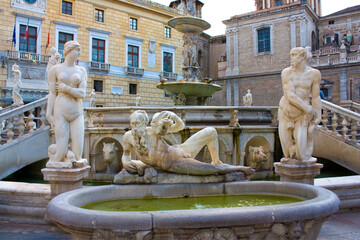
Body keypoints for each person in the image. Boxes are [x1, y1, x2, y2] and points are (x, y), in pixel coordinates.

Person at [121, 110, 253, 176]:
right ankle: (238, 168)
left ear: (144, 123)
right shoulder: (128, 136)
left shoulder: (154, 131)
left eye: (138, 123)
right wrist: (125, 162)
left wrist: (173, 116)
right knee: (209, 170)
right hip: (173, 161)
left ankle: (219, 162)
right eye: (132, 123)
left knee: (211, 132)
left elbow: (180, 127)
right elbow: (126, 154)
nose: (135, 127)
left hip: (179, 154)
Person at [46, 41, 88, 168]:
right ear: (68, 51)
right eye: (77, 50)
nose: (79, 53)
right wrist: (48, 112)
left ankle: (69, 157)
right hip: (60, 110)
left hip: (77, 112)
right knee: (60, 152)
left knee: (78, 155)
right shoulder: (55, 69)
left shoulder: (82, 70)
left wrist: (66, 89)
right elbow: (52, 93)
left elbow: (82, 93)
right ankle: (60, 159)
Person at [278, 47, 321, 162]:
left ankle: (303, 175)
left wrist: (318, 114)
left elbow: (316, 96)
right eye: (291, 55)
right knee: (287, 154)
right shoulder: (286, 73)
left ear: (303, 56)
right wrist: (307, 108)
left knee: (302, 155)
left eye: (294, 55)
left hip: (301, 114)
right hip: (286, 112)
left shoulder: (314, 74)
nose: (292, 58)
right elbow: (290, 95)